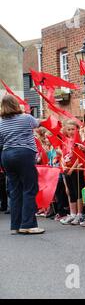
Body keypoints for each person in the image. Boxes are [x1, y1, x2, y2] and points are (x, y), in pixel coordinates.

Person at [0, 95, 44, 235]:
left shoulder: (0, 122)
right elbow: (38, 124)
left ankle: (15, 225)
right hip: (24, 153)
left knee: (15, 190)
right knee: (29, 188)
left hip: (7, 155)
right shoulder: (26, 118)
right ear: (15, 105)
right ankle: (28, 224)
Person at [59, 120, 85, 226]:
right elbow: (62, 155)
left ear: (77, 130)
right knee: (70, 192)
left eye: (73, 129)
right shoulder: (65, 141)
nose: (71, 131)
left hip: (76, 170)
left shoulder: (79, 142)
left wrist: (72, 169)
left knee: (77, 191)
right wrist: (63, 166)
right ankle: (72, 213)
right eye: (69, 129)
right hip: (66, 169)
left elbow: (79, 157)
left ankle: (80, 213)